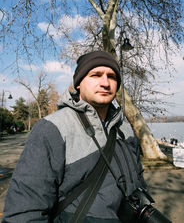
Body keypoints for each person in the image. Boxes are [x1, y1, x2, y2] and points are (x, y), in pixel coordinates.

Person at [3, 51, 146, 222]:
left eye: (112, 76)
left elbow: (138, 182)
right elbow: (24, 213)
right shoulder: (51, 129)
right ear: (78, 83)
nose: (105, 83)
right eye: (96, 75)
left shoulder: (125, 128)